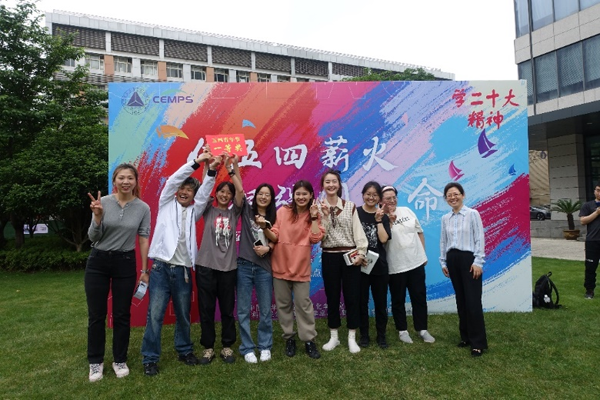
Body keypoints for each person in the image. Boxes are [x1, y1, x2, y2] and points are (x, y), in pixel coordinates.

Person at [140, 151, 220, 376]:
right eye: (182, 189)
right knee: (155, 315)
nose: (184, 192)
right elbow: (173, 180)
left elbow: (204, 194)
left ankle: (184, 351)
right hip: (160, 268)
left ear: (193, 195)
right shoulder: (166, 202)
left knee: (183, 314)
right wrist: (196, 162)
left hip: (183, 270)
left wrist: (212, 169)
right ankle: (150, 358)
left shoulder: (195, 211)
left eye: (189, 190)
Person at [85, 163, 151, 382]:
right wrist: (97, 217)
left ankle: (119, 360)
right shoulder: (102, 202)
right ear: (114, 181)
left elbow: (143, 239)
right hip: (98, 262)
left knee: (122, 314)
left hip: (125, 262)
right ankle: (95, 362)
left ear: (135, 181)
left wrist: (144, 269)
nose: (125, 182)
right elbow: (93, 237)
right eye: (121, 178)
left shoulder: (143, 208)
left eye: (130, 178)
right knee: (97, 315)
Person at [265, 180, 324, 359]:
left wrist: (313, 217)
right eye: (298, 193)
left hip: (301, 268)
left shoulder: (314, 214)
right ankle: (289, 338)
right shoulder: (282, 211)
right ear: (293, 195)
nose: (301, 197)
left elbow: (315, 238)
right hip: (280, 265)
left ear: (311, 195)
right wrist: (264, 228)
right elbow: (275, 233)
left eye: (305, 194)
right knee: (283, 305)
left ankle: (308, 340)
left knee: (303, 305)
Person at [195, 154, 244, 365]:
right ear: (216, 194)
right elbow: (203, 189)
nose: (225, 195)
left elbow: (241, 191)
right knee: (206, 309)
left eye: (228, 193)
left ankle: (226, 346)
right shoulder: (208, 210)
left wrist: (234, 167)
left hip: (228, 268)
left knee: (226, 309)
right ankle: (208, 348)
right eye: (221, 191)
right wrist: (208, 165)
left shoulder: (234, 213)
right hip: (205, 267)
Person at [319, 169, 368, 354]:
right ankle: (334, 336)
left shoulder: (350, 206)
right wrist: (324, 215)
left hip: (350, 255)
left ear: (339, 185)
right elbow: (319, 235)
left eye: (334, 181)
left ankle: (351, 337)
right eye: (327, 182)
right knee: (332, 297)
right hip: (329, 255)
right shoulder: (318, 208)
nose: (331, 185)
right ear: (323, 186)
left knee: (352, 297)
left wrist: (361, 253)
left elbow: (358, 232)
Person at [381, 185, 435, 345]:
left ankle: (422, 329)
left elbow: (419, 232)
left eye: (394, 197)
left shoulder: (406, 211)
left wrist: (423, 254)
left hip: (415, 262)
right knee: (398, 299)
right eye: (388, 198)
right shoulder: (379, 217)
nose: (392, 201)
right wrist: (389, 221)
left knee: (419, 297)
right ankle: (402, 330)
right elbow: (381, 240)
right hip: (396, 266)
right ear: (381, 201)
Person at [439, 182, 487, 357]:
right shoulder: (445, 218)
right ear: (446, 199)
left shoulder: (473, 214)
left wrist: (478, 262)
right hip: (452, 259)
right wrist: (443, 262)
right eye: (449, 195)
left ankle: (478, 343)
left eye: (456, 194)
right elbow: (443, 241)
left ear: (463, 195)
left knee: (473, 301)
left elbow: (479, 238)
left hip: (469, 260)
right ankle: (465, 337)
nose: (453, 197)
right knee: (461, 300)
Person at [236, 183, 277, 363]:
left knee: (265, 310)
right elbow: (239, 189)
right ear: (256, 195)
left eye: (267, 194)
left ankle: (265, 346)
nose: (263, 197)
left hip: (264, 268)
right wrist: (233, 169)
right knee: (243, 310)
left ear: (271, 198)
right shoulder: (247, 210)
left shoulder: (275, 216)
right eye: (260, 193)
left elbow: (279, 238)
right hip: (244, 266)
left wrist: (268, 248)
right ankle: (247, 348)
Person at [356, 182, 391, 349]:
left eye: (375, 195)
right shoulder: (356, 213)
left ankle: (381, 335)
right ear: (363, 194)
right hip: (360, 264)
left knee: (380, 303)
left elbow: (383, 239)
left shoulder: (382, 215)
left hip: (379, 266)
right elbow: (350, 238)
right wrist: (358, 256)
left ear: (379, 198)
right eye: (368, 194)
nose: (371, 197)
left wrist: (378, 221)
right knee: (361, 302)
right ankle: (364, 335)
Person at [579, 182, 600, 299]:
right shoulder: (587, 205)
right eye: (598, 190)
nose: (599, 193)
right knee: (590, 267)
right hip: (592, 241)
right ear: (594, 191)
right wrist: (596, 212)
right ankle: (589, 290)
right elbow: (583, 221)